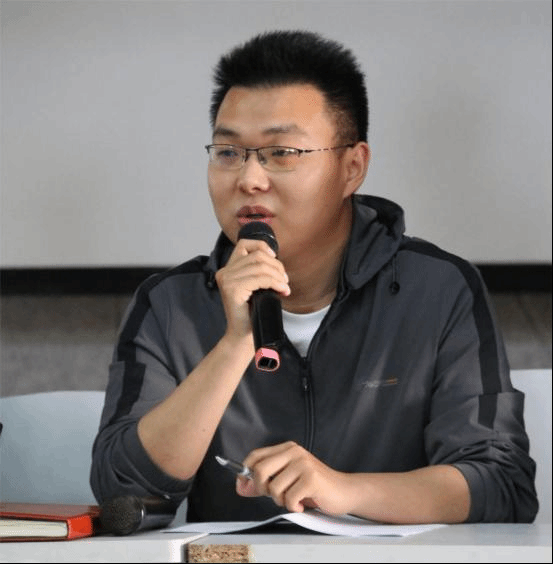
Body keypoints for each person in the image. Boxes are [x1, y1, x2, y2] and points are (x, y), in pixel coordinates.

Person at [90, 30, 538, 524]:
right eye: (228, 152)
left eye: (282, 152)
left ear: (352, 167)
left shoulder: (438, 290)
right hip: (237, 559)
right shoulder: (170, 306)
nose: (249, 179)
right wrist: (235, 344)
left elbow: (501, 483)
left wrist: (344, 491)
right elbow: (121, 494)